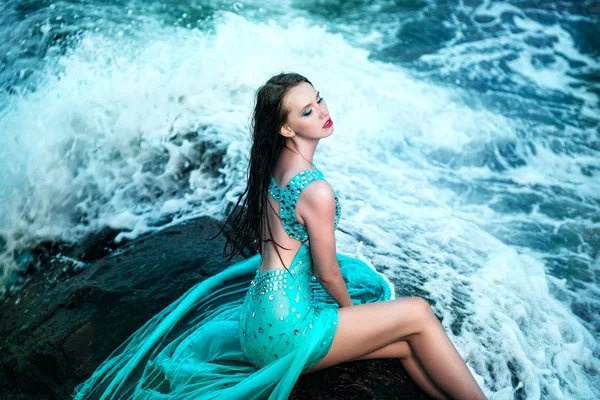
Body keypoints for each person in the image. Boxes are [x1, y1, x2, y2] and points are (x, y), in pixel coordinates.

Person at [72, 72, 487, 400]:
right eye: (306, 111)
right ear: (286, 129)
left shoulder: (273, 164)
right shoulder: (316, 190)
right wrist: (350, 312)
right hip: (287, 328)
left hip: (257, 319)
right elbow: (326, 273)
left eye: (318, 99)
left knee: (405, 342)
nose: (322, 111)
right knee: (416, 312)